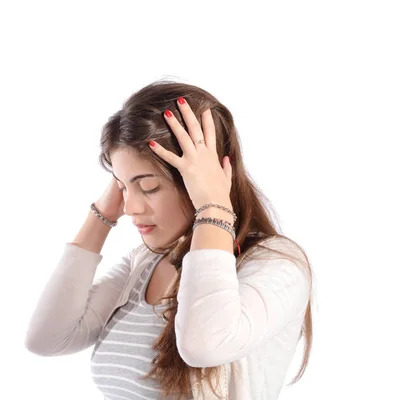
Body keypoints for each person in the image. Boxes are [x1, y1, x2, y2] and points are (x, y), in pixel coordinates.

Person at [25, 80, 314, 399]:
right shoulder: (146, 262)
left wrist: (214, 207)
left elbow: (203, 346)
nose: (131, 207)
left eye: (148, 187)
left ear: (205, 178)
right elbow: (47, 338)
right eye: (122, 187)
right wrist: (104, 212)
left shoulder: (276, 263)